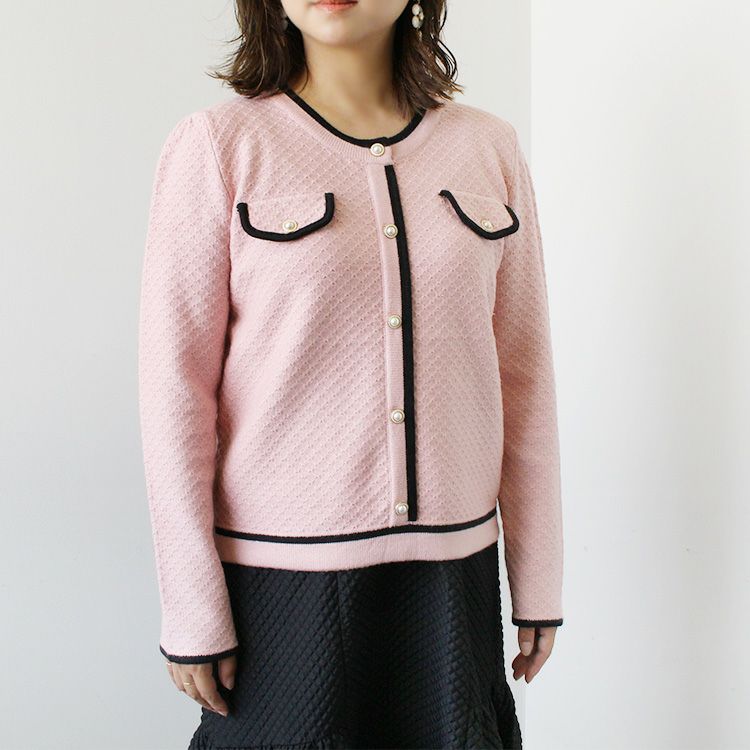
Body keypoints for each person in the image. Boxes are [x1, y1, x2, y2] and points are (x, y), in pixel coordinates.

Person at [137, 1, 564, 747]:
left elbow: (524, 380)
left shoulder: (489, 149)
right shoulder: (220, 146)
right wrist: (192, 603)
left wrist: (539, 577)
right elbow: (174, 392)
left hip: (452, 580)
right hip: (278, 588)